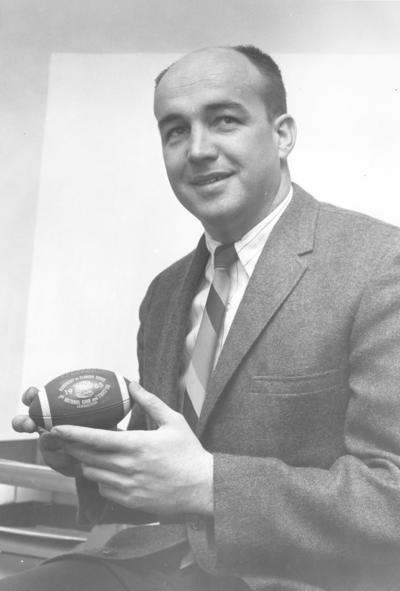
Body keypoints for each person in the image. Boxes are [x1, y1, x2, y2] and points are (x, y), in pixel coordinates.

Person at [6, 44, 400, 591]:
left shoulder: (381, 265)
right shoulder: (165, 293)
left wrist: (209, 485)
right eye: (174, 131)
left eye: (225, 120)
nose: (196, 149)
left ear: (282, 134)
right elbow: (164, 473)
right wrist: (93, 459)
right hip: (149, 561)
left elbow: (393, 499)